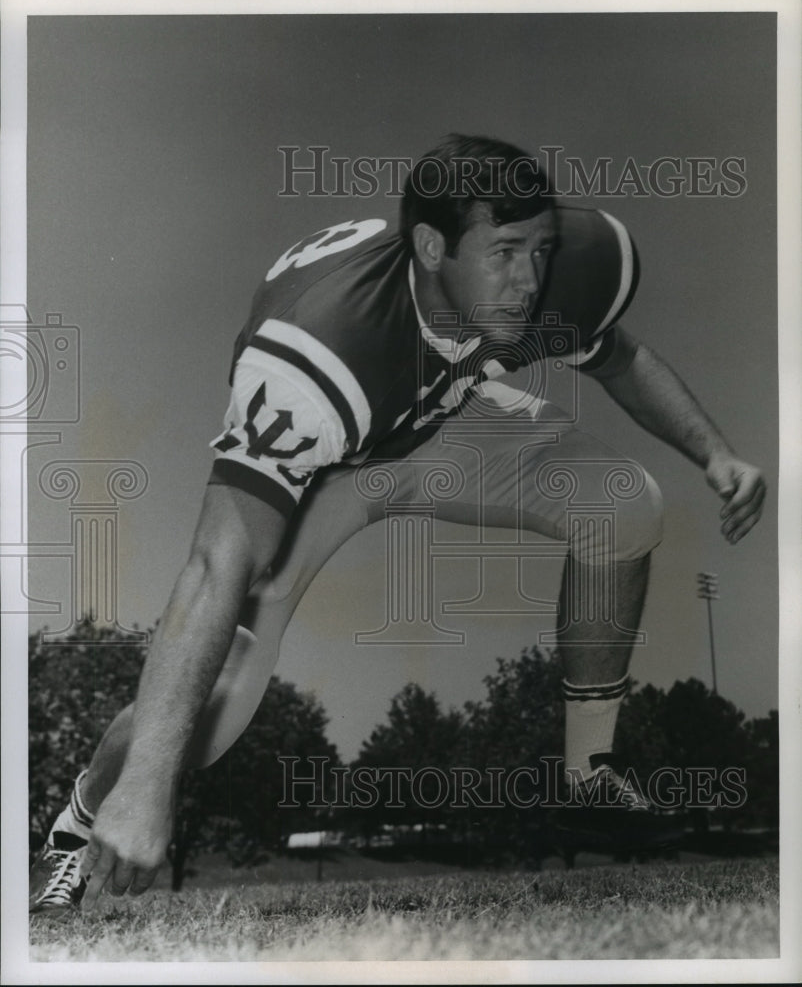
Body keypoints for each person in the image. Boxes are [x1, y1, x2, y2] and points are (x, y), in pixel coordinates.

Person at [29, 134, 765, 911]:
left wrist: (714, 454)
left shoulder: (538, 270)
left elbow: (618, 358)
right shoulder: (317, 362)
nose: (529, 279)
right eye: (506, 252)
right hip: (334, 461)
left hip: (435, 421)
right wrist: (148, 787)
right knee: (215, 700)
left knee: (622, 501)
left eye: (540, 250)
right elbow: (216, 564)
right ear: (429, 246)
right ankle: (80, 820)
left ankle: (589, 774)